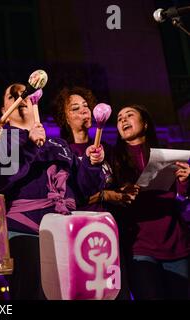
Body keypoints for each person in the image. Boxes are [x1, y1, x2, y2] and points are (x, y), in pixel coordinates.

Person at [0, 83, 105, 299]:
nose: (21, 97)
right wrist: (30, 147)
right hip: (24, 232)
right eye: (13, 95)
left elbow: (84, 190)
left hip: (65, 233)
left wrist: (92, 165)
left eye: (24, 94)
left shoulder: (59, 144)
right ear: (4, 112)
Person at [52, 86, 133, 299]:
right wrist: (107, 194)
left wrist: (124, 192)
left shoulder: (108, 149)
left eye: (86, 106)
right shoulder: (62, 152)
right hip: (79, 233)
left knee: (116, 292)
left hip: (109, 230)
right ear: (64, 117)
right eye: (75, 108)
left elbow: (116, 184)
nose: (84, 111)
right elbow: (69, 195)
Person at [112, 104, 190, 300]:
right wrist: (120, 194)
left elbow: (181, 199)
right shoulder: (114, 160)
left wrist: (184, 182)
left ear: (145, 124)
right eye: (119, 118)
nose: (123, 119)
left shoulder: (167, 155)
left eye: (129, 115)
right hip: (139, 246)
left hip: (176, 244)